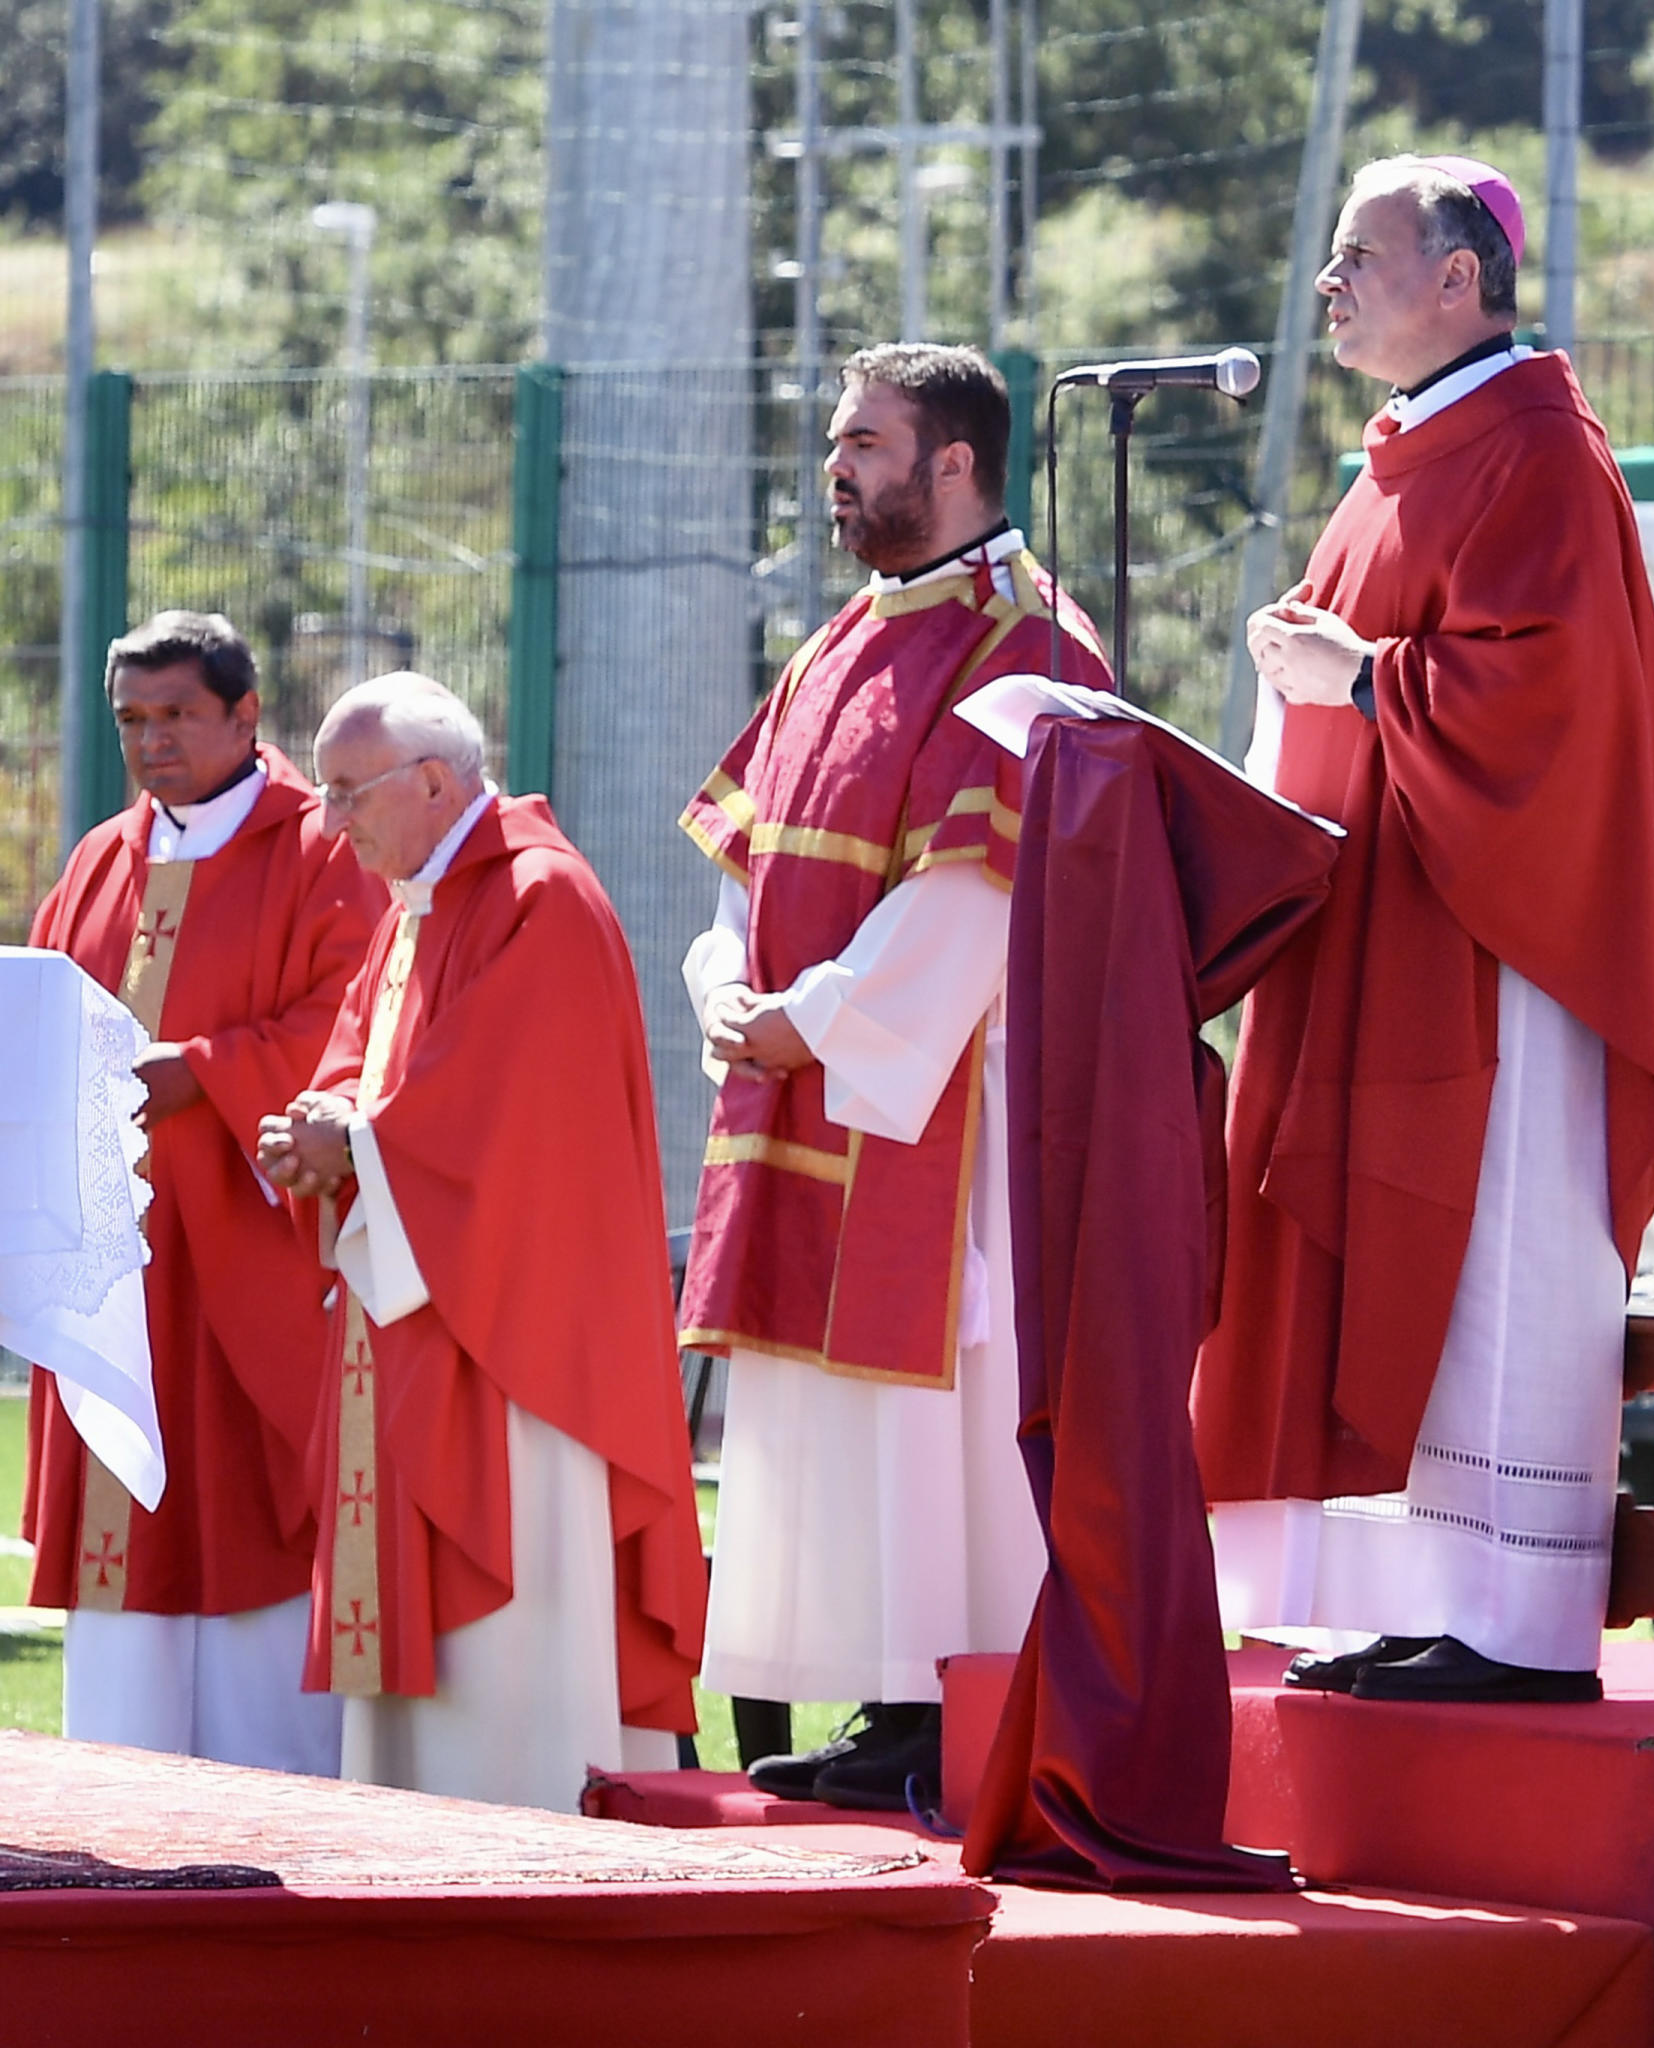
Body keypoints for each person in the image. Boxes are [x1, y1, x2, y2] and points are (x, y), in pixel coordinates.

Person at [1196, 154, 1654, 1706]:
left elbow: (1549, 693)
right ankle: (1414, 1597)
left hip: (1500, 951)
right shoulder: (1407, 454)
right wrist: (1313, 674)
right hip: (1386, 928)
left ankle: (1518, 1621)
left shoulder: (1537, 449)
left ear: (1462, 277)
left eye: (1360, 256)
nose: (1329, 284)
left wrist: (1361, 677)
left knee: (1500, 1254)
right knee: (1402, 1263)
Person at [676, 342, 1114, 1804]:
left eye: (864, 443)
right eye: (836, 443)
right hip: (811, 1073)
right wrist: (727, 987)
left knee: (941, 1427)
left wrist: (818, 1020)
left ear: (956, 462)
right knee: (834, 1418)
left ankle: (953, 1707)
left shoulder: (1029, 642)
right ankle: (883, 1699)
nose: (835, 469)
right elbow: (747, 862)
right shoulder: (833, 644)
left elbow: (977, 897)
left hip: (947, 1101)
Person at [257, 673, 704, 1811]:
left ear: (433, 782)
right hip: (417, 1297)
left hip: (517, 1335)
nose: (330, 822)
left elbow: (508, 1125)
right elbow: (361, 1065)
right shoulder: (414, 907)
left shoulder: (539, 897)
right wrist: (317, 1129)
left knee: (517, 1633)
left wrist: (356, 1144)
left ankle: (537, 1826)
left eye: (347, 792)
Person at [24, 611, 383, 1774]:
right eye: (133, 718)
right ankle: (118, 1797)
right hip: (116, 1262)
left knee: (251, 1512)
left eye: (178, 713)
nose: (153, 740)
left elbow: (357, 1015)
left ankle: (281, 1798)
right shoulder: (100, 858)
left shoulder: (322, 847)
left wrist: (205, 1072)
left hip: (249, 1250)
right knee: (123, 1547)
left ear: (245, 712)